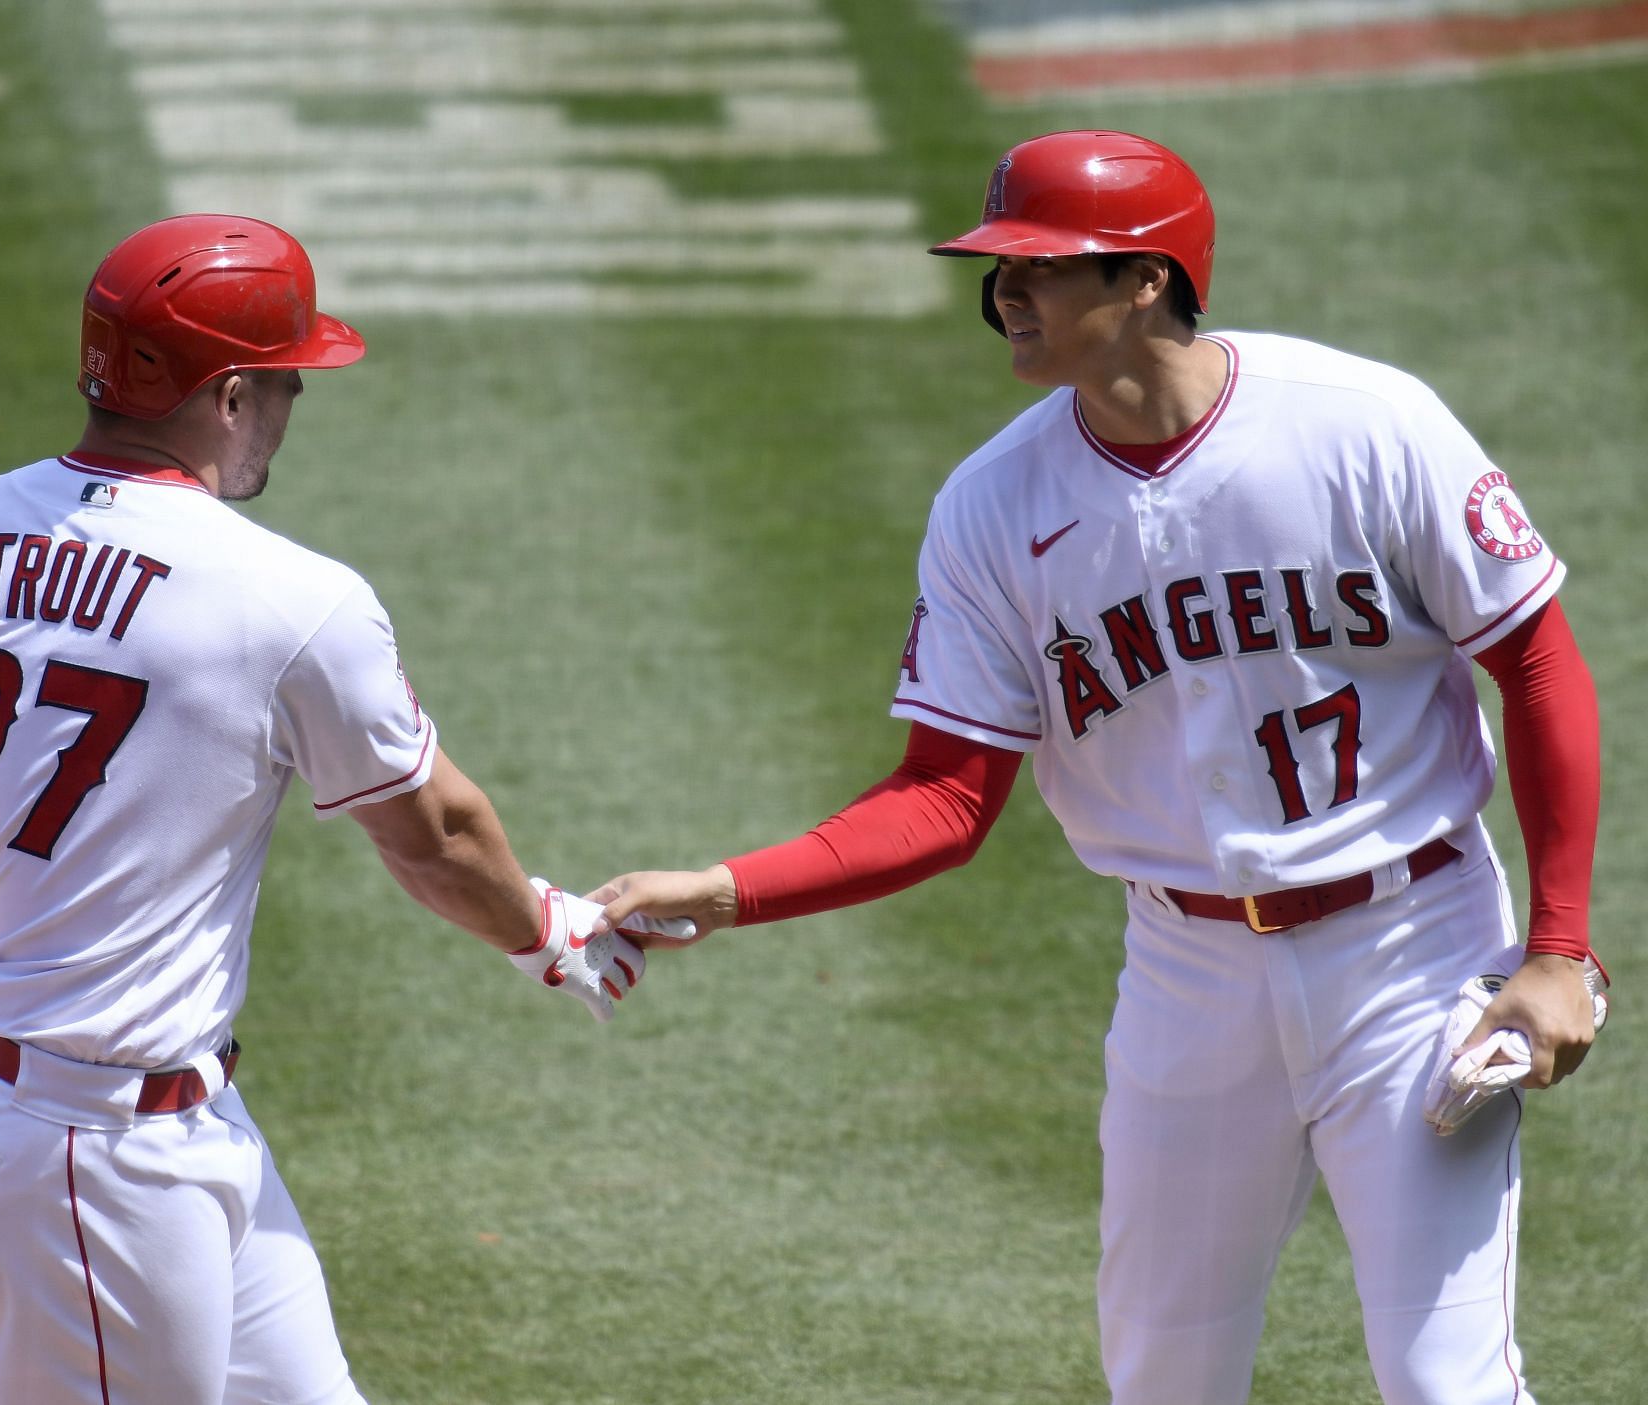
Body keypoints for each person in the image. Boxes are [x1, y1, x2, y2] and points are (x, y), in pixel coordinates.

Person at [588, 131, 1606, 1405]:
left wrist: (1559, 948)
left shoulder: (1363, 425)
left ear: (1148, 282)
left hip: (1410, 948)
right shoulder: (993, 505)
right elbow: (946, 797)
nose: (1006, 295)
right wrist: (729, 886)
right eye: (996, 272)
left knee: (1445, 1379)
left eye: (1040, 268)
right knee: (1163, 1381)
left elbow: (1540, 663)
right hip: (1187, 974)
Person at [0, 213, 667, 1404]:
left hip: (153, 1127)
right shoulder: (287, 598)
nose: (295, 409)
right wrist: (548, 933)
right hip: (93, 1169)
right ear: (230, 393)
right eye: (290, 383)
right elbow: (437, 834)